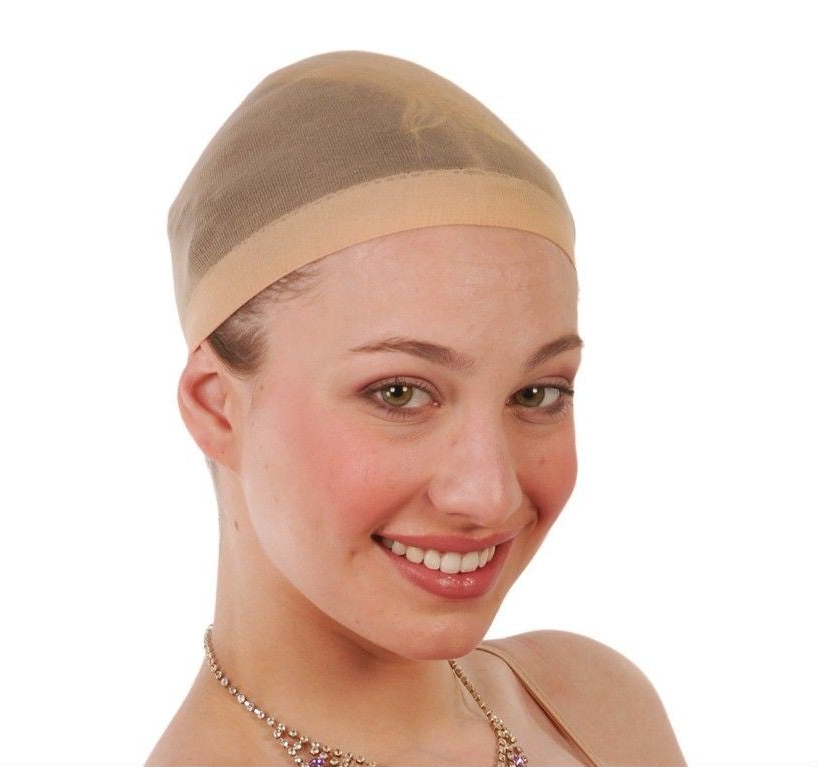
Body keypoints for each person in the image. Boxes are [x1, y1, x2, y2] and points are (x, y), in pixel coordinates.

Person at [146, 50, 686, 767]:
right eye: (398, 393)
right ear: (217, 409)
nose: (489, 496)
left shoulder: (596, 705)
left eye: (537, 394)